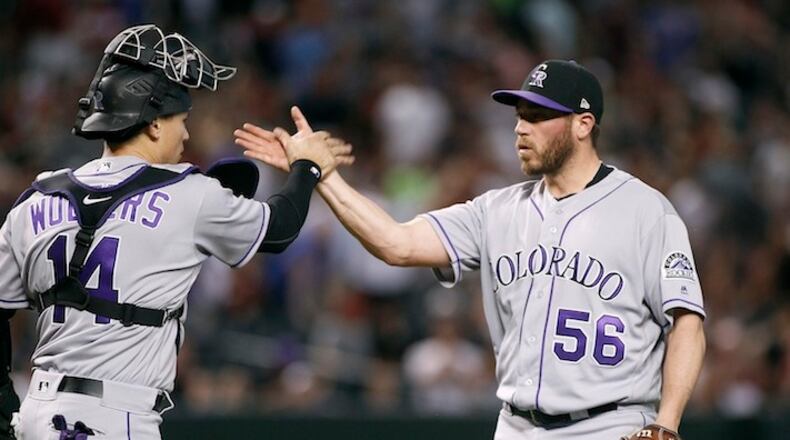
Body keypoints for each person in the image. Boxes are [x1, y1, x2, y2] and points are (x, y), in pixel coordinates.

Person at [235, 59, 706, 439]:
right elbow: (396, 244)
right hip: (516, 426)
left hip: (611, 425)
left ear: (583, 124)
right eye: (520, 115)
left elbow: (686, 319)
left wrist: (667, 422)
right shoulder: (497, 210)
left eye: (539, 117)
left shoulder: (646, 211)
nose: (521, 128)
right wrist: (319, 175)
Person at [0, 24, 350, 440]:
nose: (185, 133)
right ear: (152, 125)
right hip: (115, 416)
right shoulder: (187, 192)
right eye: (180, 120)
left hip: (37, 412)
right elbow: (278, 230)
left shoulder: (36, 196)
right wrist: (306, 167)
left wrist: (6, 408)